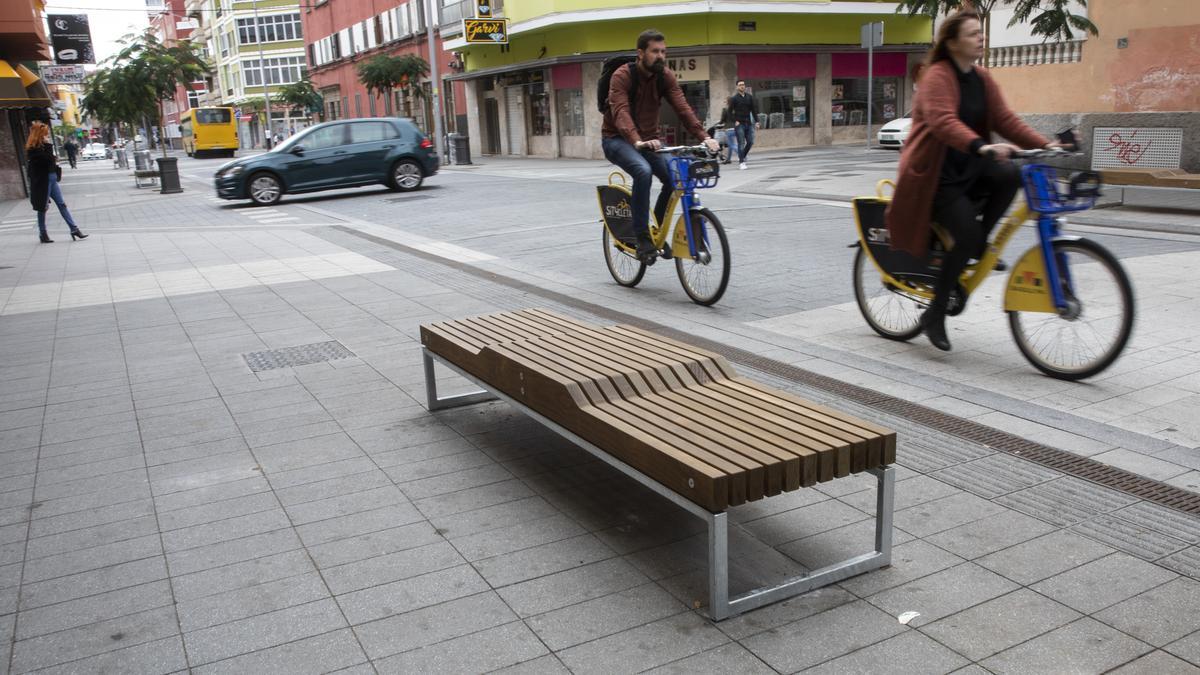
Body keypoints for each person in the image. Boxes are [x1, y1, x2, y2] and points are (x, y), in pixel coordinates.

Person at [884, 10, 1065, 352]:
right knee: (964, 237)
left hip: (971, 164)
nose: (980, 38)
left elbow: (1006, 120)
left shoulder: (981, 77)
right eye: (971, 34)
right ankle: (935, 313)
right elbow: (942, 121)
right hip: (935, 175)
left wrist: (1045, 144)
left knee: (1011, 173)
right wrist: (981, 145)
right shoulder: (937, 75)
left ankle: (980, 243)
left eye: (980, 32)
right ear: (952, 42)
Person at [602, 29, 720, 264]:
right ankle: (642, 237)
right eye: (655, 51)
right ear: (640, 53)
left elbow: (683, 108)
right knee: (642, 171)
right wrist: (636, 140)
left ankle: (654, 228)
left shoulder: (664, 76)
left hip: (650, 141)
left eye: (664, 51)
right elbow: (620, 112)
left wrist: (704, 137)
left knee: (674, 178)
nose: (661, 56)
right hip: (617, 139)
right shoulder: (622, 76)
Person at [26, 122, 87, 243]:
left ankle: (74, 229)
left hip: (52, 179)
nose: (47, 136)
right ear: (39, 135)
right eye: (45, 134)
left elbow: (51, 161)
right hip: (44, 181)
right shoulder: (34, 150)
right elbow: (47, 160)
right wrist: (48, 146)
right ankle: (43, 233)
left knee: (62, 204)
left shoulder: (44, 147)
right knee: (42, 208)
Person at [727, 80, 759, 169]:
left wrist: (757, 122)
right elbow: (729, 112)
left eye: (743, 85)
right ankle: (742, 162)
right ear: (737, 87)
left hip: (748, 123)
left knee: (750, 142)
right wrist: (735, 121)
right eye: (740, 85)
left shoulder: (749, 97)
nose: (742, 86)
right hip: (739, 124)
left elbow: (753, 110)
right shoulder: (734, 99)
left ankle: (742, 156)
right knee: (741, 143)